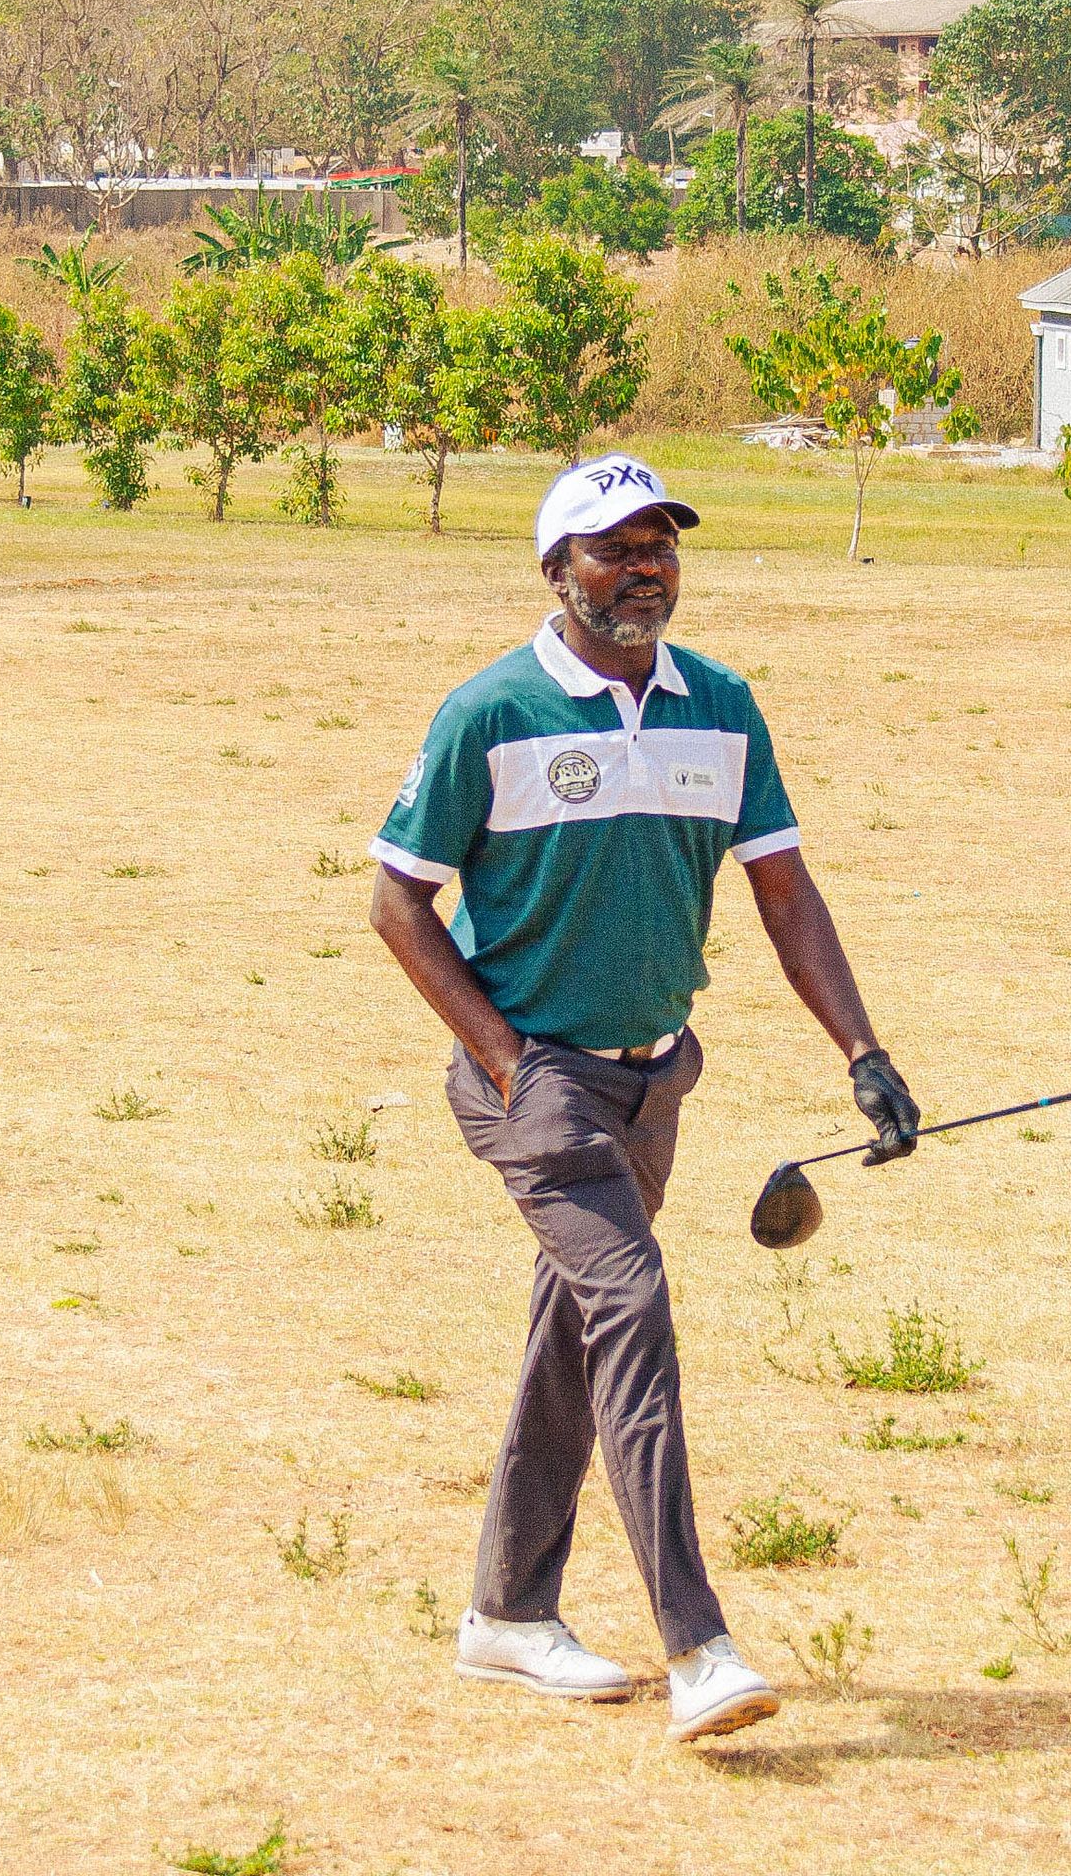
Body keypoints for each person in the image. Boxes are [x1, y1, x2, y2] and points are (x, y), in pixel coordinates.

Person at [366, 452, 919, 1746]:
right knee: (631, 1306)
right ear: (557, 572)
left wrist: (864, 1051)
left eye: (661, 542)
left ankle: (506, 1614)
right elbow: (398, 902)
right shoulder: (490, 715)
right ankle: (700, 1644)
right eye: (614, 548)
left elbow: (784, 890)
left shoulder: (718, 707)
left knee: (577, 1328)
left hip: (655, 1075)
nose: (645, 567)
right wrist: (506, 1064)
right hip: (537, 1080)